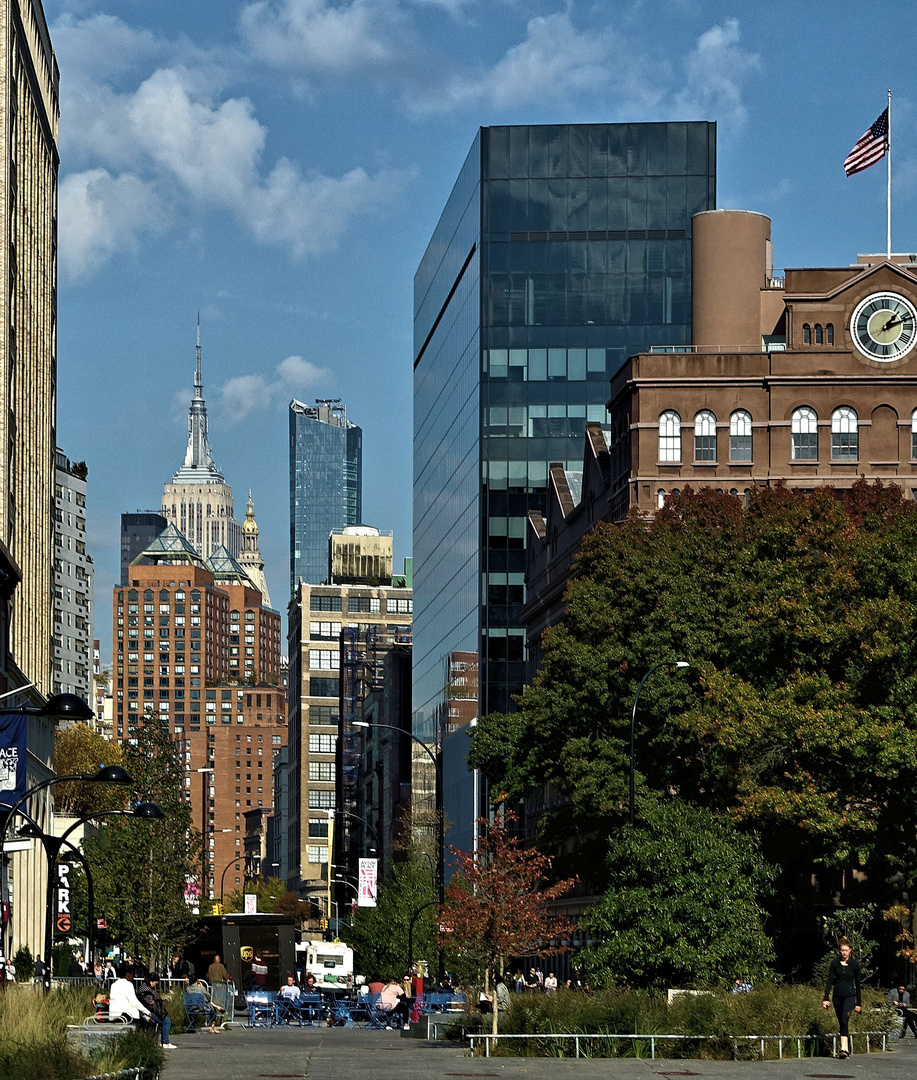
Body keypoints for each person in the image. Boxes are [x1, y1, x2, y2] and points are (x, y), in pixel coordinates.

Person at [822, 936, 862, 1059]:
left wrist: (858, 1003)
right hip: (837, 996)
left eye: (846, 950)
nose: (844, 953)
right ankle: (846, 1049)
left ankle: (843, 1048)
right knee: (842, 1022)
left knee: (845, 1019)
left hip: (850, 995)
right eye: (842, 950)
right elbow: (829, 981)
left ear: (850, 950)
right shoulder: (835, 964)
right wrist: (825, 998)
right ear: (839, 950)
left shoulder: (854, 965)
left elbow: (858, 984)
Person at [137, 971, 177, 1049]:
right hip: (148, 1012)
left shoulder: (142, 987)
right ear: (151, 981)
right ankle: (165, 1042)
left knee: (164, 1021)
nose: (155, 985)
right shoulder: (146, 990)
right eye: (155, 983)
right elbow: (150, 1002)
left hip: (145, 1011)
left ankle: (164, 1041)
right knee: (166, 1021)